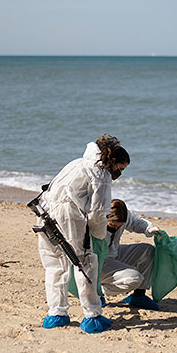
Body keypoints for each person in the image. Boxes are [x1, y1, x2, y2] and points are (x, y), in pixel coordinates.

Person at [37, 134, 129, 333]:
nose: (118, 174)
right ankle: (92, 316)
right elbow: (98, 212)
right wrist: (98, 237)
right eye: (120, 169)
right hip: (68, 217)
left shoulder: (77, 163)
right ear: (112, 161)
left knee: (54, 264)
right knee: (85, 263)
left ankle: (56, 313)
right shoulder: (101, 174)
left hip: (44, 211)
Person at [100, 199, 162, 310]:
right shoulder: (96, 218)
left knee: (148, 250)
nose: (116, 228)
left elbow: (136, 222)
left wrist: (149, 229)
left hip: (114, 253)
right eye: (112, 225)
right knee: (134, 279)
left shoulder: (125, 216)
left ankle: (138, 296)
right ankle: (97, 291)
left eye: (119, 226)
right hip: (98, 261)